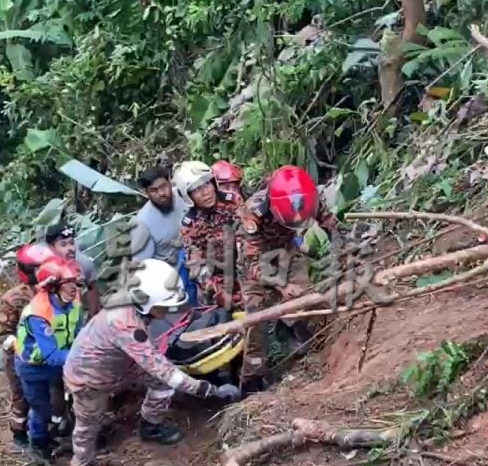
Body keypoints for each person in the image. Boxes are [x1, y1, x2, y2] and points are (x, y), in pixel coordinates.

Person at [63, 259, 241, 466]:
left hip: (121, 363)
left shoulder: (134, 308)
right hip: (90, 378)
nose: (169, 310)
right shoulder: (125, 324)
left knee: (159, 384)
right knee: (88, 425)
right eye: (165, 305)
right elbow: (167, 372)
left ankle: (150, 425)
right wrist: (210, 390)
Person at [237, 165, 337, 392]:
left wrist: (350, 251)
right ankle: (251, 383)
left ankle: (313, 349)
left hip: (287, 251)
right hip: (258, 259)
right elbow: (251, 263)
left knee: (309, 300)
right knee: (256, 323)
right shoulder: (253, 212)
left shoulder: (309, 196)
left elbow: (333, 226)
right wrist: (281, 285)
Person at [14, 255, 85, 459]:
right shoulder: (39, 313)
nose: (74, 288)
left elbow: (79, 331)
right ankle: (37, 445)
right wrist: (83, 356)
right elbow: (51, 354)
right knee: (41, 408)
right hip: (34, 367)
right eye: (68, 283)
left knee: (63, 400)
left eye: (74, 282)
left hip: (62, 359)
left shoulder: (73, 300)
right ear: (53, 287)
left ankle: (64, 435)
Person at [0, 242, 55, 449]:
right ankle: (19, 434)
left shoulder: (56, 290)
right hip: (20, 355)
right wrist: (21, 345)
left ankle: (47, 431)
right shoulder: (14, 299)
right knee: (21, 397)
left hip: (49, 352)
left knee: (49, 396)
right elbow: (3, 333)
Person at [176, 161, 243, 309]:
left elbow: (247, 239)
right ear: (188, 196)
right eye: (196, 189)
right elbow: (197, 267)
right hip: (215, 279)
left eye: (206, 184)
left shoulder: (232, 202)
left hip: (244, 267)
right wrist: (218, 292)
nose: (205, 192)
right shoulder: (189, 225)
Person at [129, 166, 189, 265]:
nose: (161, 193)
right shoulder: (142, 223)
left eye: (163, 186)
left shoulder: (183, 196)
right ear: (146, 193)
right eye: (153, 190)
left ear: (170, 181)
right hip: (172, 272)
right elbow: (141, 265)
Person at [44, 223, 101, 317]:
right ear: (51, 248)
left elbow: (92, 288)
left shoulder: (84, 264)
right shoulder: (42, 268)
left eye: (71, 243)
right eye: (63, 244)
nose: (70, 248)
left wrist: (93, 319)